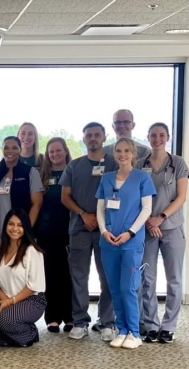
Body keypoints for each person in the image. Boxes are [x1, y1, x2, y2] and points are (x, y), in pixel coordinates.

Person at [60, 122, 117, 341]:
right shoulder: (74, 166)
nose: (93, 138)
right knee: (79, 277)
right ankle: (80, 321)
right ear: (83, 139)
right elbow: (65, 197)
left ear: (104, 137)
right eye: (89, 135)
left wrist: (100, 219)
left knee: (108, 277)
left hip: (107, 230)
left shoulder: (114, 163)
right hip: (80, 229)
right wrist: (84, 214)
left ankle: (107, 322)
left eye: (97, 135)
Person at [97, 137, 156, 349]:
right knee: (113, 287)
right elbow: (101, 208)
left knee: (128, 287)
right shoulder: (107, 178)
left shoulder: (141, 178)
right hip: (109, 240)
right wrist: (103, 231)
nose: (122, 155)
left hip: (131, 241)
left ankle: (134, 332)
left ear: (133, 154)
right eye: (119, 151)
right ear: (115, 154)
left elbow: (146, 210)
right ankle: (121, 330)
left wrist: (130, 233)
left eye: (126, 151)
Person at [136, 123, 189, 344]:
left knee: (174, 279)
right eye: (153, 135)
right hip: (148, 229)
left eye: (161, 135)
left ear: (167, 137)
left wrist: (161, 217)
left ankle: (168, 326)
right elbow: (135, 197)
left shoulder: (177, 163)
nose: (157, 139)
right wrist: (150, 221)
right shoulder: (140, 165)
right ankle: (151, 325)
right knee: (147, 278)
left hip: (171, 228)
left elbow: (181, 197)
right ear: (148, 138)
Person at [0, 209, 46, 347]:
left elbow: (33, 286)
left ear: (25, 227)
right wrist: (4, 299)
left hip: (31, 300)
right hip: (5, 296)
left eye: (20, 225)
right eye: (11, 224)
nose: (15, 229)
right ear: (5, 226)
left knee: (5, 319)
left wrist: (11, 301)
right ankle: (5, 338)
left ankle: (30, 334)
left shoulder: (32, 251)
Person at [37, 137, 73, 332]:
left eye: (58, 150)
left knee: (68, 275)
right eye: (51, 151)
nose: (55, 154)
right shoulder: (43, 174)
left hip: (70, 231)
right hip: (46, 232)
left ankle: (70, 316)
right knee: (50, 276)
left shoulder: (73, 171)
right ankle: (52, 318)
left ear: (65, 151)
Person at [0, 136, 44, 250]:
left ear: (20, 150)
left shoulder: (30, 172)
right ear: (2, 149)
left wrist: (25, 230)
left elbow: (37, 204)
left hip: (19, 235)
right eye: (6, 147)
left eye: (14, 148)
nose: (10, 151)